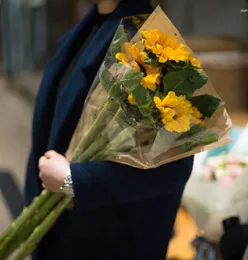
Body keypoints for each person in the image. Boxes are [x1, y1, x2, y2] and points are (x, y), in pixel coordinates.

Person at [25, 0, 194, 259]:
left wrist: (74, 181)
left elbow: (175, 167)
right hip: (62, 235)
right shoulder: (88, 28)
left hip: (109, 242)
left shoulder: (155, 44)